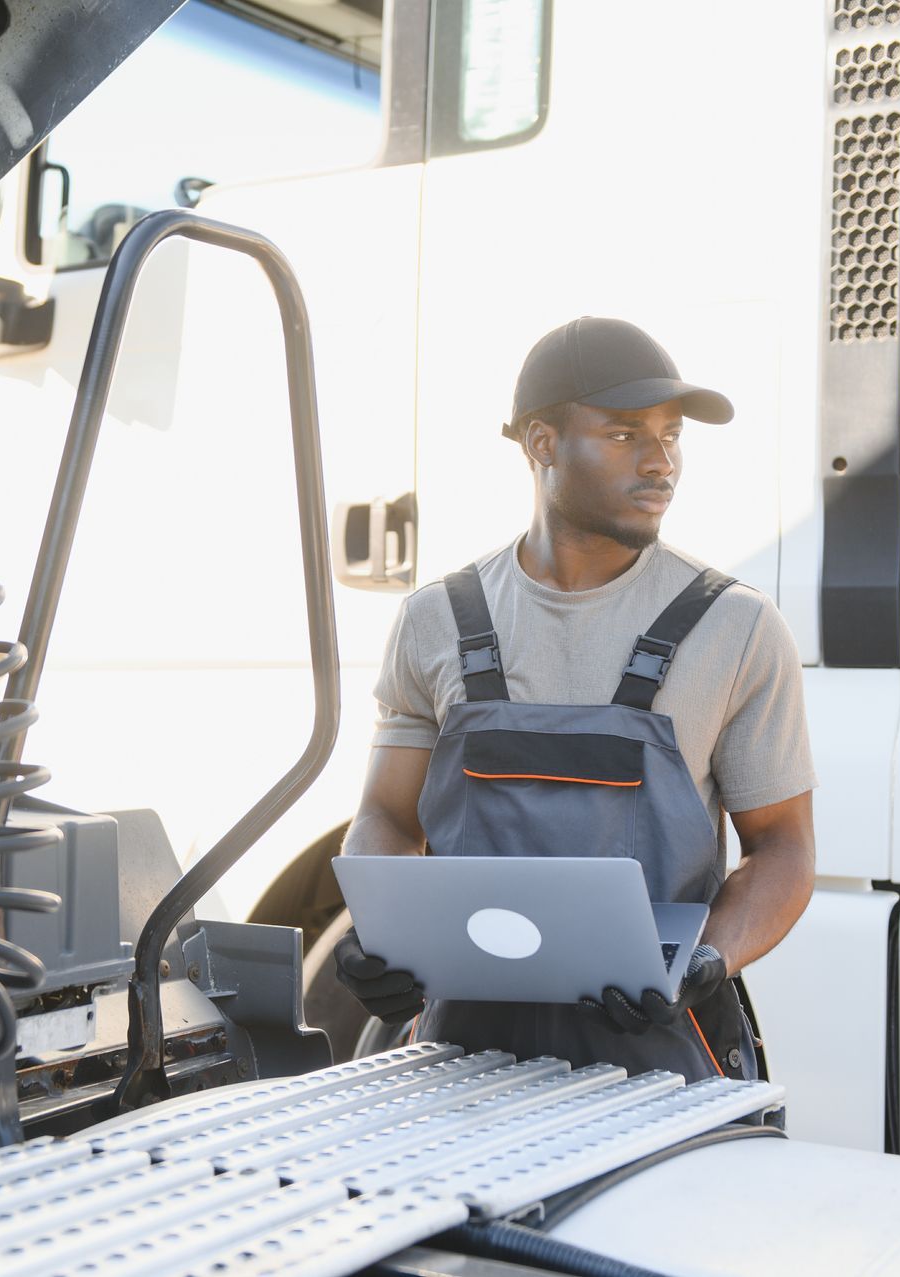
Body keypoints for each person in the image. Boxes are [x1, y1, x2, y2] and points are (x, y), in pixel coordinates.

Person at [334, 316, 818, 1081]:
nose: (662, 462)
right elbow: (388, 818)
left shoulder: (737, 627)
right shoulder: (437, 621)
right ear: (541, 443)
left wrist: (708, 956)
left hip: (660, 1057)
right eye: (626, 434)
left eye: (671, 435)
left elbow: (784, 848)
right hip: (463, 1066)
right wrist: (379, 932)